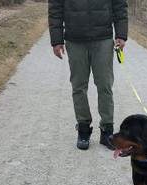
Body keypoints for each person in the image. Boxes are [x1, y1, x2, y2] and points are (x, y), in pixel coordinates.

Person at [48, 0, 128, 150]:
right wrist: (56, 40)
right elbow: (55, 10)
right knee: (79, 86)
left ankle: (107, 130)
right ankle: (83, 129)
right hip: (75, 40)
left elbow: (119, 6)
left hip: (103, 39)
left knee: (105, 85)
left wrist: (121, 34)